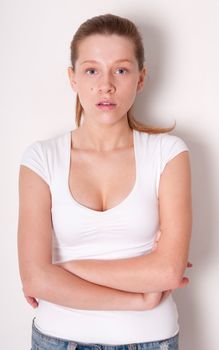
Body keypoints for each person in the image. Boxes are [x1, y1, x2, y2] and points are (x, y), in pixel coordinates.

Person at [17, 13, 192, 350]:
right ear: (73, 78)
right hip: (58, 340)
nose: (106, 85)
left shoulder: (168, 154)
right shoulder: (40, 159)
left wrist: (65, 269)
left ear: (141, 79)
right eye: (92, 70)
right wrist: (138, 298)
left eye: (121, 70)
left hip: (150, 341)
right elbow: (35, 278)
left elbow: (169, 272)